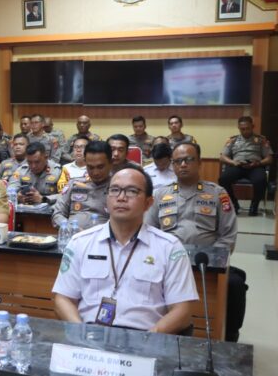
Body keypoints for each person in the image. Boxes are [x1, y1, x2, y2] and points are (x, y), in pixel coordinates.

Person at [52, 165, 198, 334]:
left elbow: (183, 310)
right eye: (114, 190)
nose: (121, 197)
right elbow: (62, 299)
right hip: (90, 336)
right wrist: (81, 333)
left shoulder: (169, 247)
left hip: (144, 337)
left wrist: (149, 338)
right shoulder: (80, 242)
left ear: (148, 203)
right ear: (106, 199)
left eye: (132, 191)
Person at [145, 142, 245, 342]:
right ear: (172, 165)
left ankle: (229, 336)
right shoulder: (160, 195)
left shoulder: (217, 194)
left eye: (188, 160)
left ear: (199, 163)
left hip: (206, 263)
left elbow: (228, 235)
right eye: (178, 161)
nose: (183, 165)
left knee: (235, 284)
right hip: (167, 263)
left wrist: (214, 260)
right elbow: (149, 231)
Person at [219, 116, 273, 215]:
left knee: (261, 180)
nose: (245, 131)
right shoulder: (232, 140)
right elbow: (222, 157)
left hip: (255, 166)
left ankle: (254, 206)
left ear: (252, 126)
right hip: (237, 166)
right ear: (238, 128)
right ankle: (234, 204)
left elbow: (269, 158)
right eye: (242, 129)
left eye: (247, 128)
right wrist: (233, 162)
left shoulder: (261, 140)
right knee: (223, 179)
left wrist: (259, 163)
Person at [52, 140, 112, 230]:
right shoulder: (74, 184)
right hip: (73, 235)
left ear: (110, 163)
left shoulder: (118, 188)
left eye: (100, 167)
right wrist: (71, 228)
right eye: (90, 167)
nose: (95, 172)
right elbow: (57, 215)